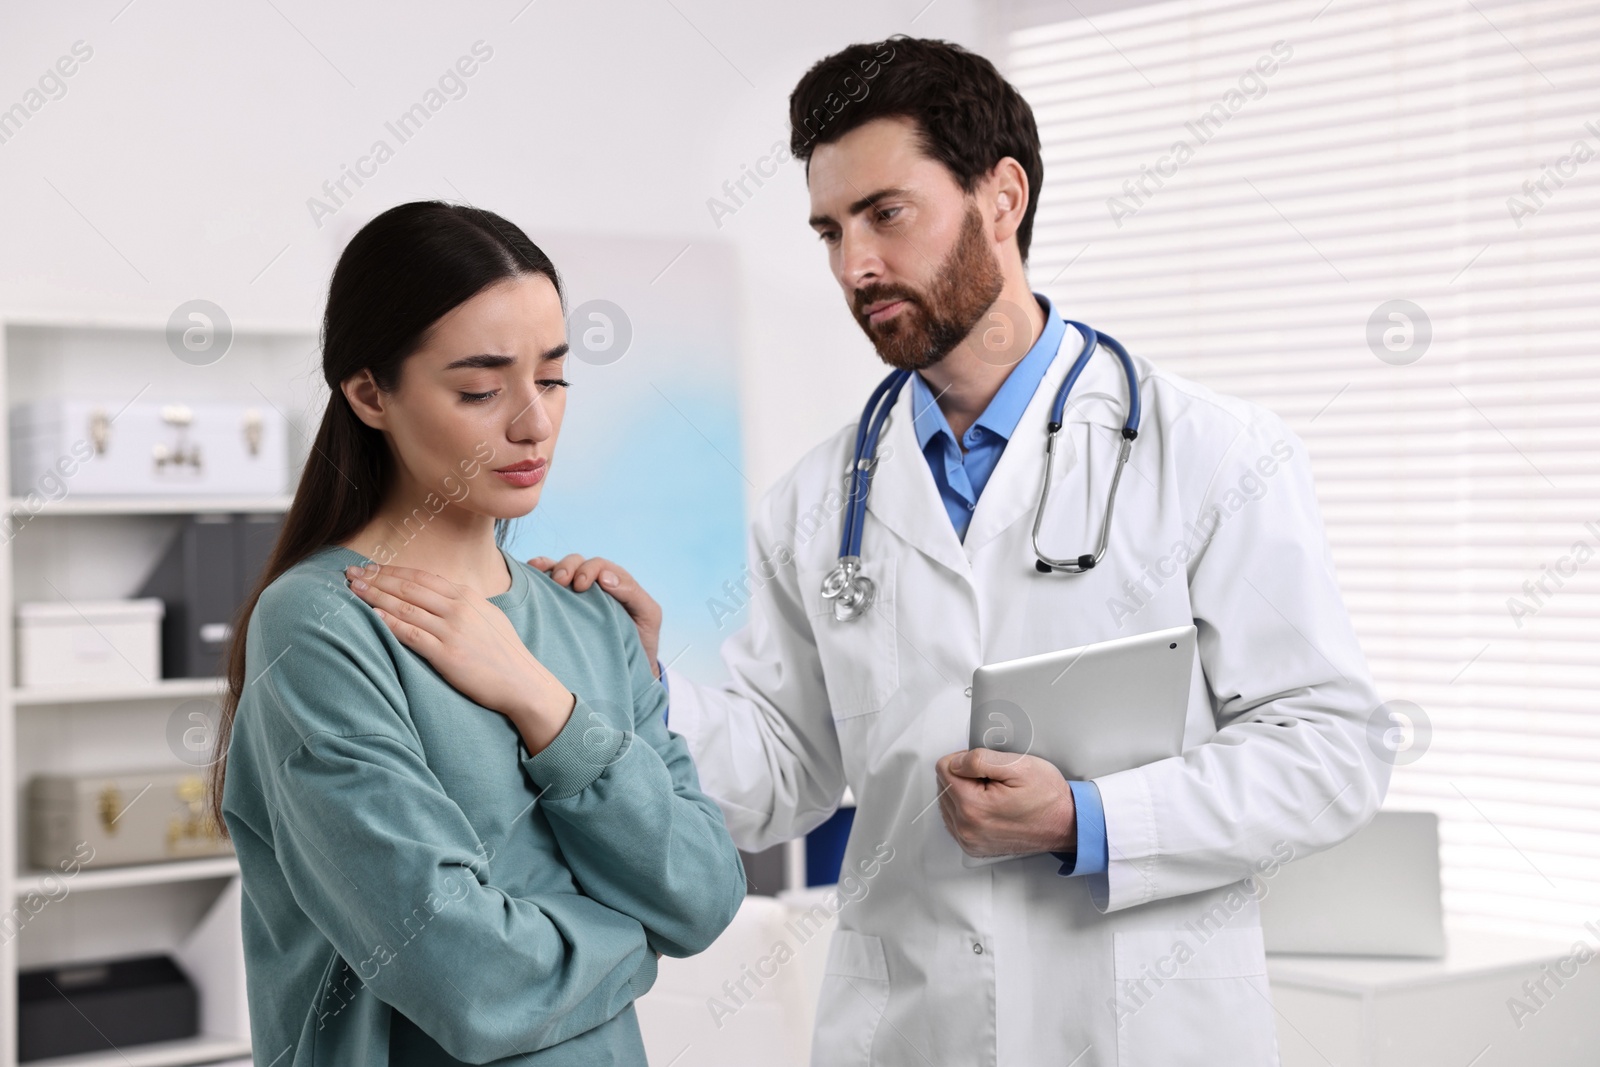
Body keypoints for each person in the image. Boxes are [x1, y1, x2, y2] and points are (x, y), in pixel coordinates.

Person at [512, 37, 1396, 1066]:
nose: (855, 266)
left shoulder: (1210, 452)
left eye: (887, 214)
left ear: (1001, 196)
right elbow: (783, 774)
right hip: (909, 1028)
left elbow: (1332, 745)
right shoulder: (817, 500)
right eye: (830, 230)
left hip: (1142, 1027)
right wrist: (640, 676)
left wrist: (1088, 817)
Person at [210, 201, 745, 1066]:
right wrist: (639, 939)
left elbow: (707, 892)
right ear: (369, 392)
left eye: (555, 377)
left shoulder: (594, 616)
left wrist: (544, 702)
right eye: (480, 389)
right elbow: (469, 981)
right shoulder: (320, 627)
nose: (533, 422)